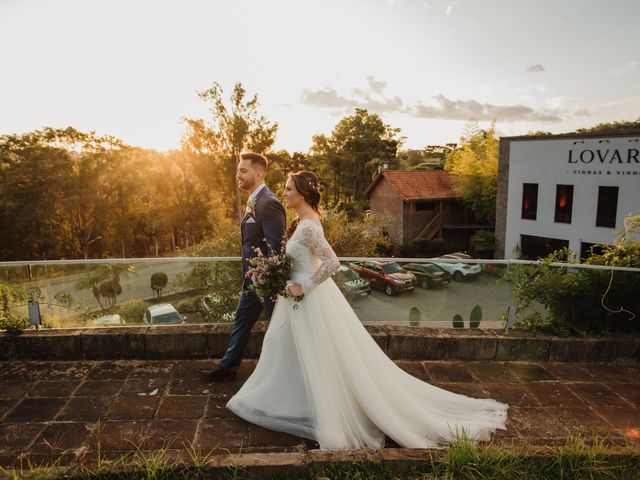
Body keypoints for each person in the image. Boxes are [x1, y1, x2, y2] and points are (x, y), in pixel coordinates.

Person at [226, 171, 508, 449]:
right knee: (286, 348)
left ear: (303, 193)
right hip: (294, 299)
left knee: (315, 355)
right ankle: (292, 401)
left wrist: (304, 287)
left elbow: (332, 263)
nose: (284, 193)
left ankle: (327, 411)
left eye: (288, 189)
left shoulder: (310, 226)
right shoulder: (302, 222)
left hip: (308, 299)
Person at [199, 152, 286, 381]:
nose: (238, 174)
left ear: (258, 173)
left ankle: (286, 373)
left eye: (243, 170)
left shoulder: (269, 203)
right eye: (238, 170)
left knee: (281, 328)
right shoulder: (253, 200)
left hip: (266, 284)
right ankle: (228, 367)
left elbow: (277, 249)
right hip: (252, 281)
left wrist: (267, 281)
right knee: (242, 321)